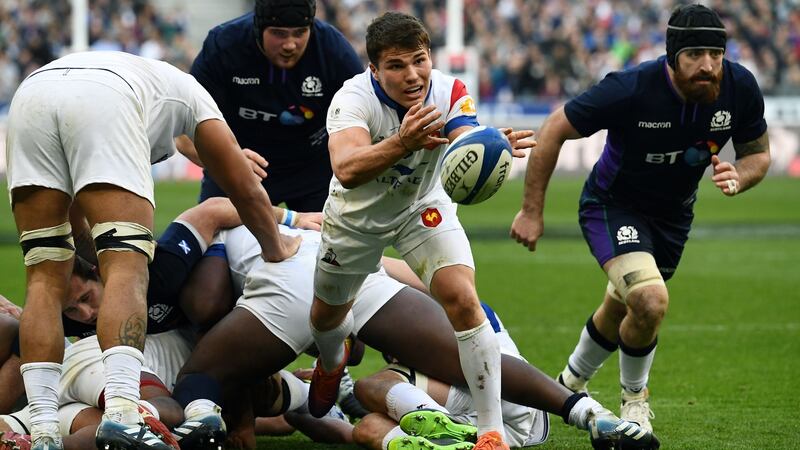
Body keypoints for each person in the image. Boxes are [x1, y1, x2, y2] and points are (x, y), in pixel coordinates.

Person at [5, 50, 300, 450]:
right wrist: (277, 244)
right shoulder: (195, 97)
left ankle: (40, 429)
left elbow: (75, 231)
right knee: (126, 264)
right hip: (106, 96)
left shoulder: (162, 97)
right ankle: (124, 414)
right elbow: (245, 188)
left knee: (43, 277)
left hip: (31, 94)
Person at [510, 4, 771, 433]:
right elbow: (556, 127)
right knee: (649, 301)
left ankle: (569, 383)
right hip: (613, 205)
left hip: (673, 217)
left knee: (621, 309)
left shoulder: (739, 87)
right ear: (672, 56)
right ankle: (635, 404)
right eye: (694, 56)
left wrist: (739, 176)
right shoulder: (630, 88)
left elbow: (757, 154)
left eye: (715, 55)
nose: (708, 66)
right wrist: (531, 210)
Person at [171, 223, 658, 450]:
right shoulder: (314, 228)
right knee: (387, 411)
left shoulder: (222, 236)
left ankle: (324, 370)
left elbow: (205, 306)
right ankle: (590, 415)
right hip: (360, 277)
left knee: (200, 380)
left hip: (293, 292)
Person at [306, 12, 535, 450]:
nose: (412, 75)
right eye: (396, 65)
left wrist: (486, 146)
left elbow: (464, 134)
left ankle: (491, 433)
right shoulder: (351, 100)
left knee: (464, 299)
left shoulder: (450, 90)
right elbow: (347, 168)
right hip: (356, 218)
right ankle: (333, 363)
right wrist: (402, 143)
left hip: (422, 207)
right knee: (326, 320)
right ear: (374, 69)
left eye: (419, 60)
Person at [183, 0, 363, 211]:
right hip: (240, 163)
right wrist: (229, 160)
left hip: (313, 170)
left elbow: (362, 115)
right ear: (258, 28)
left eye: (299, 33)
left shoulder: (334, 50)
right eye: (278, 33)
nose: (289, 44)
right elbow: (184, 135)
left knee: (326, 243)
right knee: (214, 239)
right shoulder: (223, 46)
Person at [351, 302, 549, 450]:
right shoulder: (439, 292)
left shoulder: (425, 301)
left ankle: (444, 427)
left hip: (505, 393)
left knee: (368, 387)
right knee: (366, 429)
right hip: (518, 428)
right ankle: (449, 441)